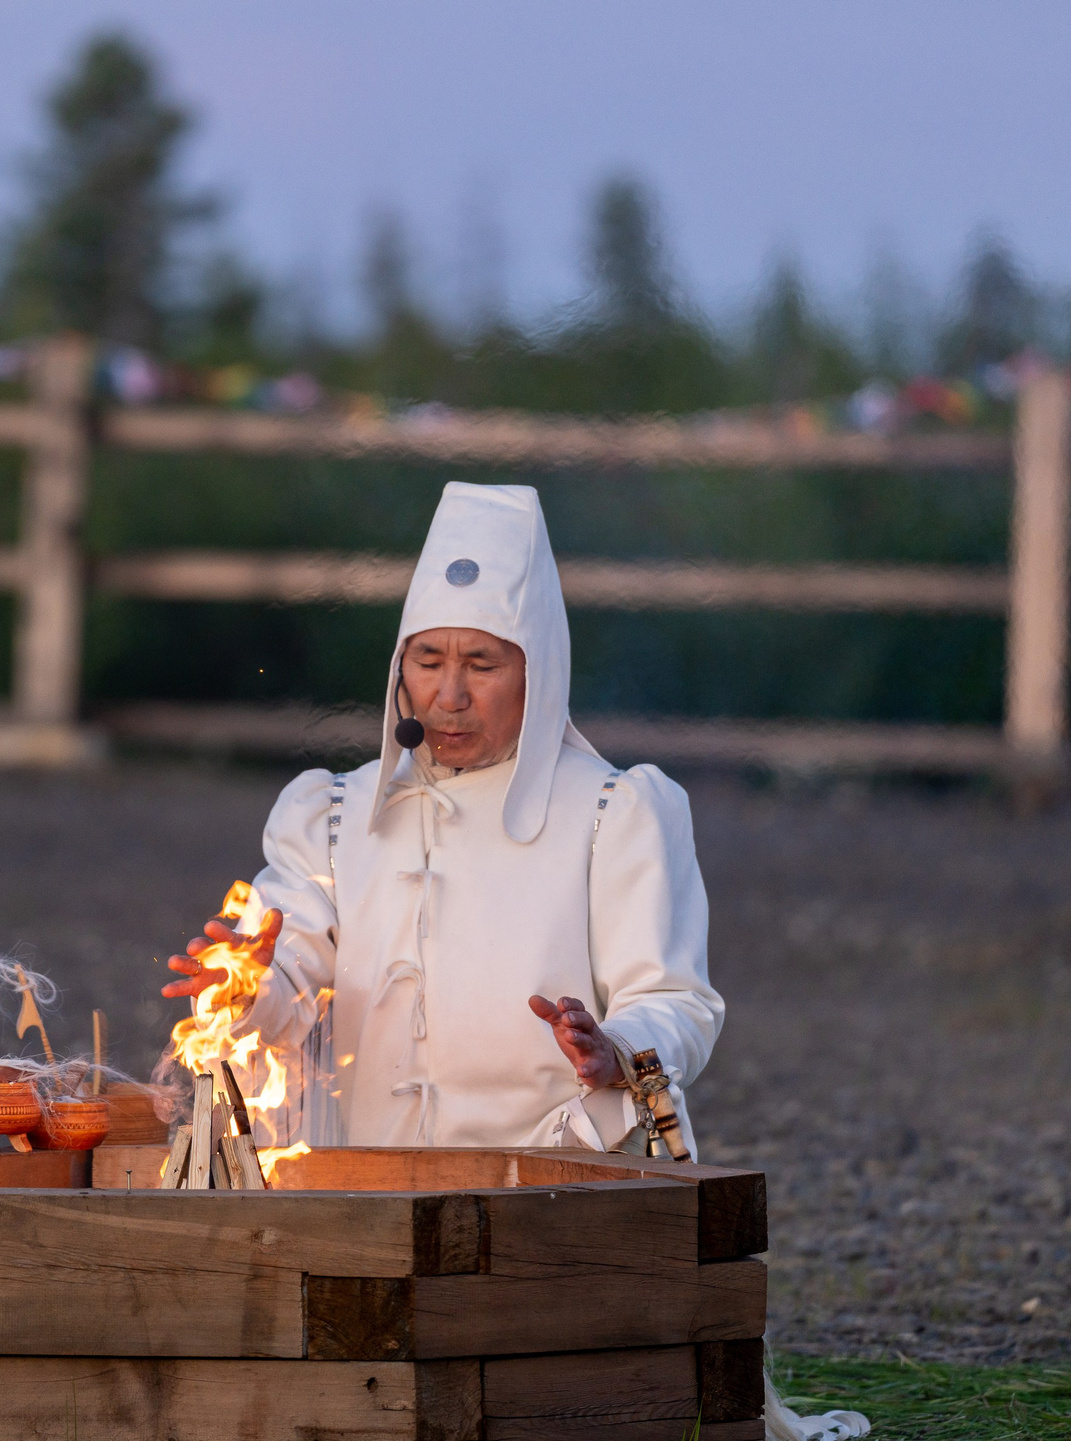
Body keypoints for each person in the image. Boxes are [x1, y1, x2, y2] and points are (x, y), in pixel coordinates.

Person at [164, 481, 721, 1151]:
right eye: (428, 660)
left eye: (481, 663)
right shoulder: (334, 815)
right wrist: (243, 984)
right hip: (373, 1186)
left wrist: (618, 1048)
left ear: (537, 674)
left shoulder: (616, 812)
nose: (448, 695)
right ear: (400, 669)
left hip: (568, 1181)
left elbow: (679, 1000)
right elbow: (286, 979)